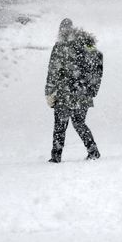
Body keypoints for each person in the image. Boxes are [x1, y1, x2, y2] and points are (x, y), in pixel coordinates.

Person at [45, 18, 103, 163]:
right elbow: (97, 67)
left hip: (64, 92)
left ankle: (56, 156)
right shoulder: (87, 45)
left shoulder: (60, 47)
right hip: (83, 92)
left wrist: (49, 92)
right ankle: (93, 150)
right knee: (79, 122)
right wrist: (92, 89)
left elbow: (53, 72)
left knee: (60, 125)